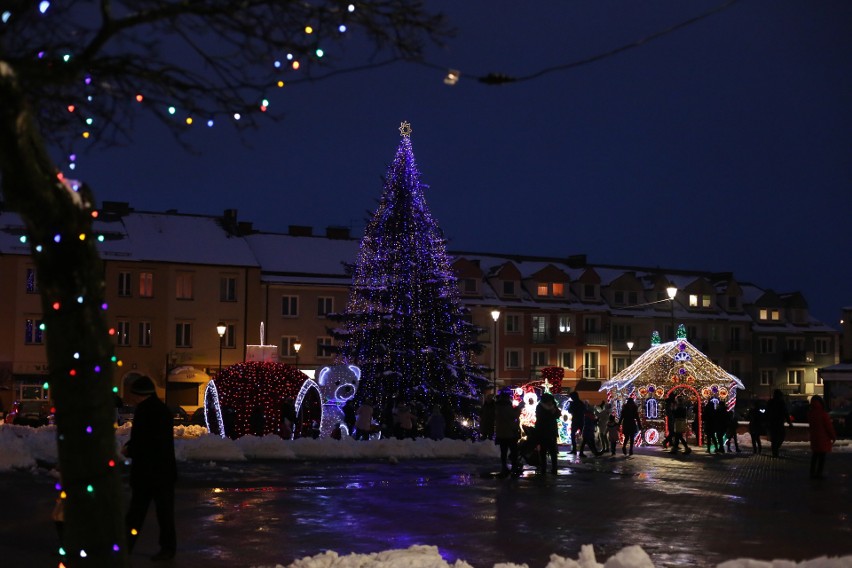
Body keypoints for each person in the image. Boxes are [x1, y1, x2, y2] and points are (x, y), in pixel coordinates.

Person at [123, 375, 177, 561]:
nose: (131, 399)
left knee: (136, 513)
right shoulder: (161, 410)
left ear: (139, 394)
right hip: (163, 472)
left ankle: (124, 546)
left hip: (147, 473)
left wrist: (130, 449)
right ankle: (167, 548)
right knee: (164, 514)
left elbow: (145, 441)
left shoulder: (145, 411)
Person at [494, 391, 523, 478]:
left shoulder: (497, 407)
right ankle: (513, 467)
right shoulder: (506, 407)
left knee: (503, 452)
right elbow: (514, 415)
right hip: (510, 433)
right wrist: (518, 408)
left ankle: (504, 467)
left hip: (501, 433)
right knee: (513, 451)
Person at [807, 395, 836, 479]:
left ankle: (812, 473)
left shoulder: (810, 413)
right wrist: (833, 436)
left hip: (814, 438)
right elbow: (829, 427)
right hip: (823, 438)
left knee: (815, 456)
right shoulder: (823, 414)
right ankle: (819, 473)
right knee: (821, 457)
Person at [535, 393, 560, 473]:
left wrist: (554, 412)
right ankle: (544, 467)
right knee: (544, 450)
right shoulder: (540, 407)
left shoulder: (553, 407)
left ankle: (553, 467)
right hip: (543, 431)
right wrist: (551, 413)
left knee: (552, 451)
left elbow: (558, 414)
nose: (550, 402)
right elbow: (541, 417)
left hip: (551, 431)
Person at [766, 389, 793, 458]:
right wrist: (789, 423)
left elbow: (767, 413)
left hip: (773, 423)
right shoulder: (781, 403)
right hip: (778, 423)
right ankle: (775, 450)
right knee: (780, 436)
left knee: (775, 438)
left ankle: (774, 451)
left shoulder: (771, 402)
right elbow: (785, 413)